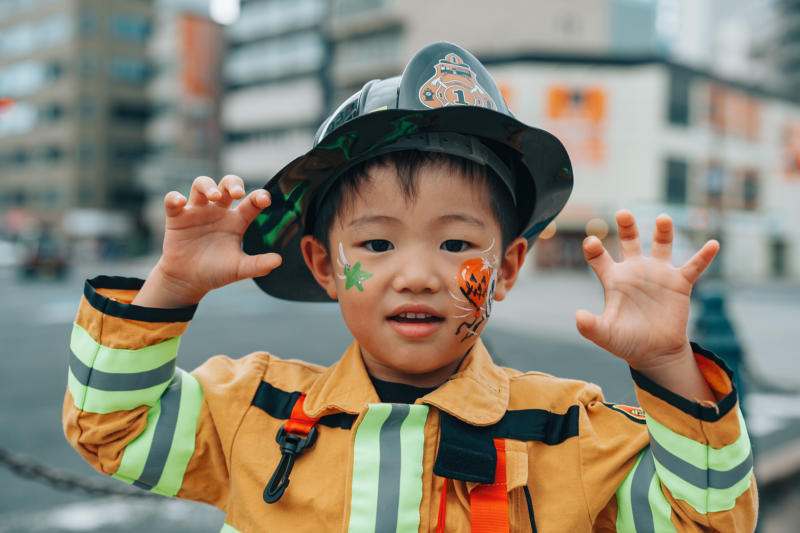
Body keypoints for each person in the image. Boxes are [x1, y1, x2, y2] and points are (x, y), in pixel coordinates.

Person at [63, 42, 757, 532]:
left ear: (509, 267)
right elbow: (113, 426)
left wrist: (666, 365)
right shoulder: (257, 410)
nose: (418, 273)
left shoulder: (566, 432)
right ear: (325, 263)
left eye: (456, 243)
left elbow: (708, 520)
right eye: (376, 243)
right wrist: (172, 285)